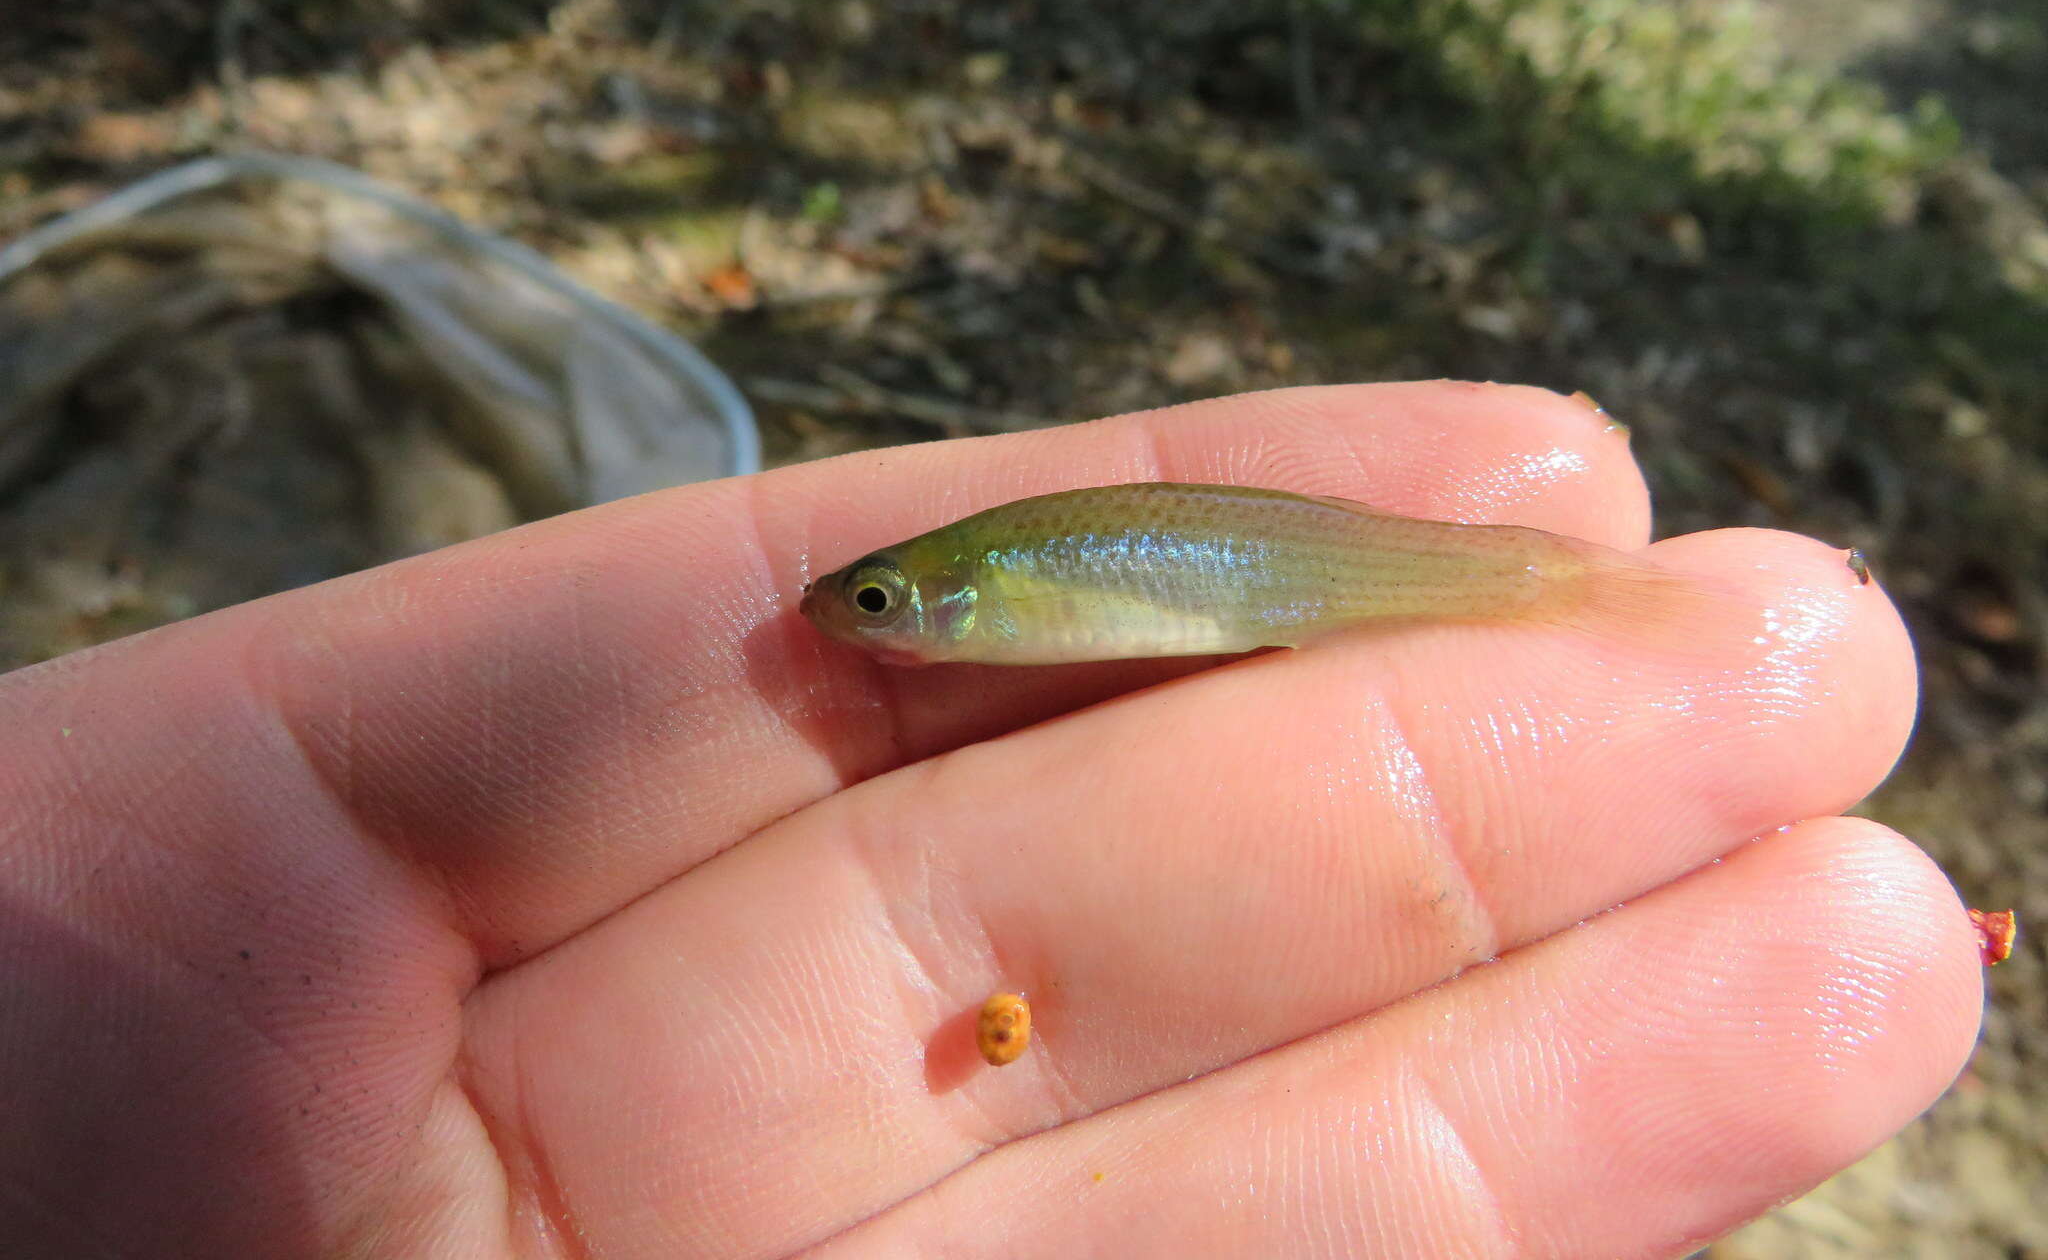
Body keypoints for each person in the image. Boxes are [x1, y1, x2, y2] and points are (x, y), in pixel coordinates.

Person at [0, 382, 1983, 1258]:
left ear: (937, 608)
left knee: (1498, 559)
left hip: (1273, 572)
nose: (867, 627)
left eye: (880, 607)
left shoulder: (983, 599)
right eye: (877, 606)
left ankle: (1567, 590)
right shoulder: (965, 606)